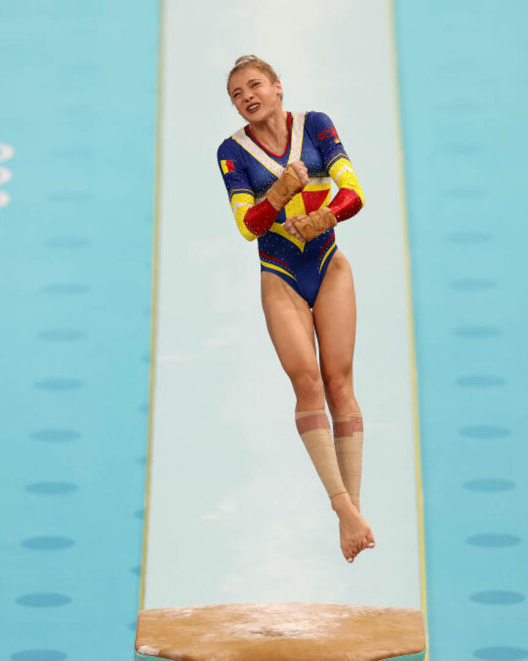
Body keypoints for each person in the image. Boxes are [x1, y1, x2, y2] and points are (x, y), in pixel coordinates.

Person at [216, 55, 375, 563]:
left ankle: (355, 512)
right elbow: (248, 225)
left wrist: (324, 213)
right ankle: (343, 509)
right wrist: (283, 188)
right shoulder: (231, 151)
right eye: (237, 94)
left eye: (254, 85)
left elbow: (355, 192)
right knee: (306, 381)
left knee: (340, 380)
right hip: (281, 276)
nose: (247, 96)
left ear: (278, 87)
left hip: (327, 264)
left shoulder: (317, 126)